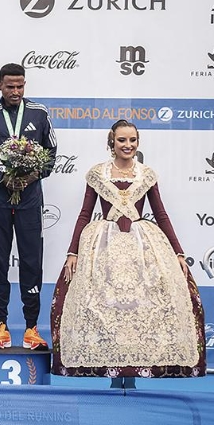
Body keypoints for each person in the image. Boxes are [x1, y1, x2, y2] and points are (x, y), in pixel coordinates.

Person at [51, 119, 206, 387]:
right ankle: (112, 372)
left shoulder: (147, 175)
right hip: (104, 246)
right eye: (122, 140)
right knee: (106, 305)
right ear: (112, 142)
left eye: (132, 140)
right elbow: (85, 214)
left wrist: (179, 253)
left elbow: (161, 214)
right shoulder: (97, 174)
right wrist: (72, 251)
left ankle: (134, 373)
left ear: (138, 142)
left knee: (139, 306)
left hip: (140, 245)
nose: (128, 145)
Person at [0, 63, 57, 350]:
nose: (16, 91)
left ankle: (32, 328)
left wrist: (32, 175)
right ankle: (1, 327)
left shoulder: (39, 113)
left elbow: (51, 153)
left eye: (20, 86)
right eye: (10, 86)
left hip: (30, 202)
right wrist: (1, 179)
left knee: (31, 263)